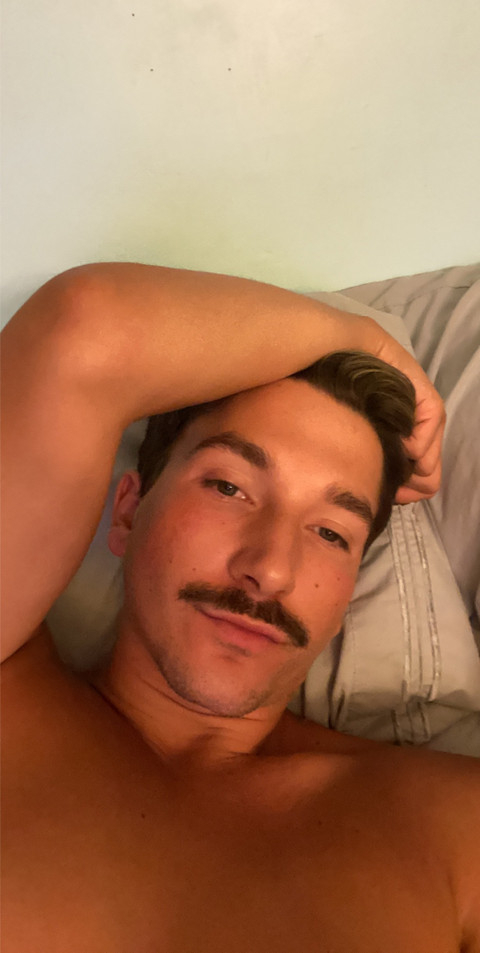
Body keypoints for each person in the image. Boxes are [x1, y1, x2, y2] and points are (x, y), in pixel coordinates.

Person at [1, 263, 479, 953]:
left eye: (331, 533)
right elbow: (83, 326)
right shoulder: (10, 693)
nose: (272, 569)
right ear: (128, 511)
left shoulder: (449, 828)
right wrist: (361, 339)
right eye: (228, 487)